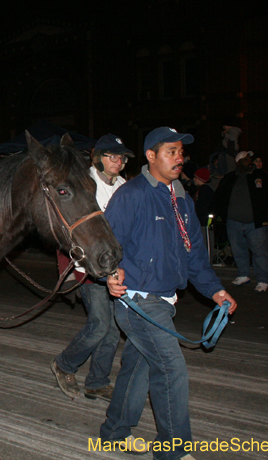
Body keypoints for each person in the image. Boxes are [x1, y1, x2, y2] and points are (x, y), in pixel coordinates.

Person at [98, 126, 237, 458]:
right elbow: (105, 244)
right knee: (171, 367)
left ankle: (114, 433)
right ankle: (173, 449)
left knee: (140, 365)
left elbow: (193, 256)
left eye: (181, 152)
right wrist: (109, 275)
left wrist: (217, 292)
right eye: (171, 151)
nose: (179, 158)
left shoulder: (181, 199)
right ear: (151, 156)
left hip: (165, 299)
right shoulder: (130, 195)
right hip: (137, 300)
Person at [51, 134, 133, 402]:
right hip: (89, 267)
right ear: (98, 158)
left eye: (122, 157)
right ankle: (64, 364)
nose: (119, 161)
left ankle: (97, 381)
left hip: (116, 268)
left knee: (111, 330)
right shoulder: (84, 182)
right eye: (113, 156)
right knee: (100, 325)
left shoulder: (123, 185)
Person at [211, 150, 268, 293]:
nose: (250, 161)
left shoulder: (261, 176)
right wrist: (216, 215)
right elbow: (219, 197)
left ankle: (263, 279)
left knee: (259, 250)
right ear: (238, 162)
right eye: (246, 159)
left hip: (255, 222)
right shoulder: (229, 178)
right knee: (238, 249)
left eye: (250, 159)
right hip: (234, 221)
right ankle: (243, 274)